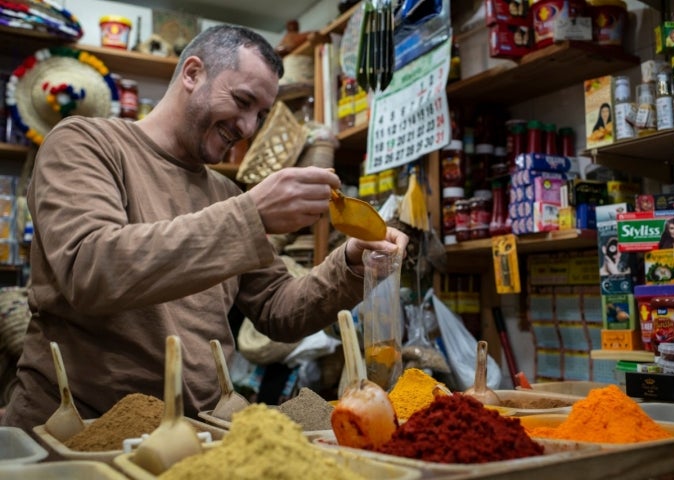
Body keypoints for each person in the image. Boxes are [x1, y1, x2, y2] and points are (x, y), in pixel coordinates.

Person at [1, 25, 408, 432]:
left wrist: (350, 262)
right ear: (193, 74)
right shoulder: (84, 143)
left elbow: (277, 309)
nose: (248, 127)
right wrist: (251, 214)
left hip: (192, 432)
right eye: (243, 101)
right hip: (76, 431)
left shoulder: (223, 193)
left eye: (261, 115)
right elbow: (90, 269)